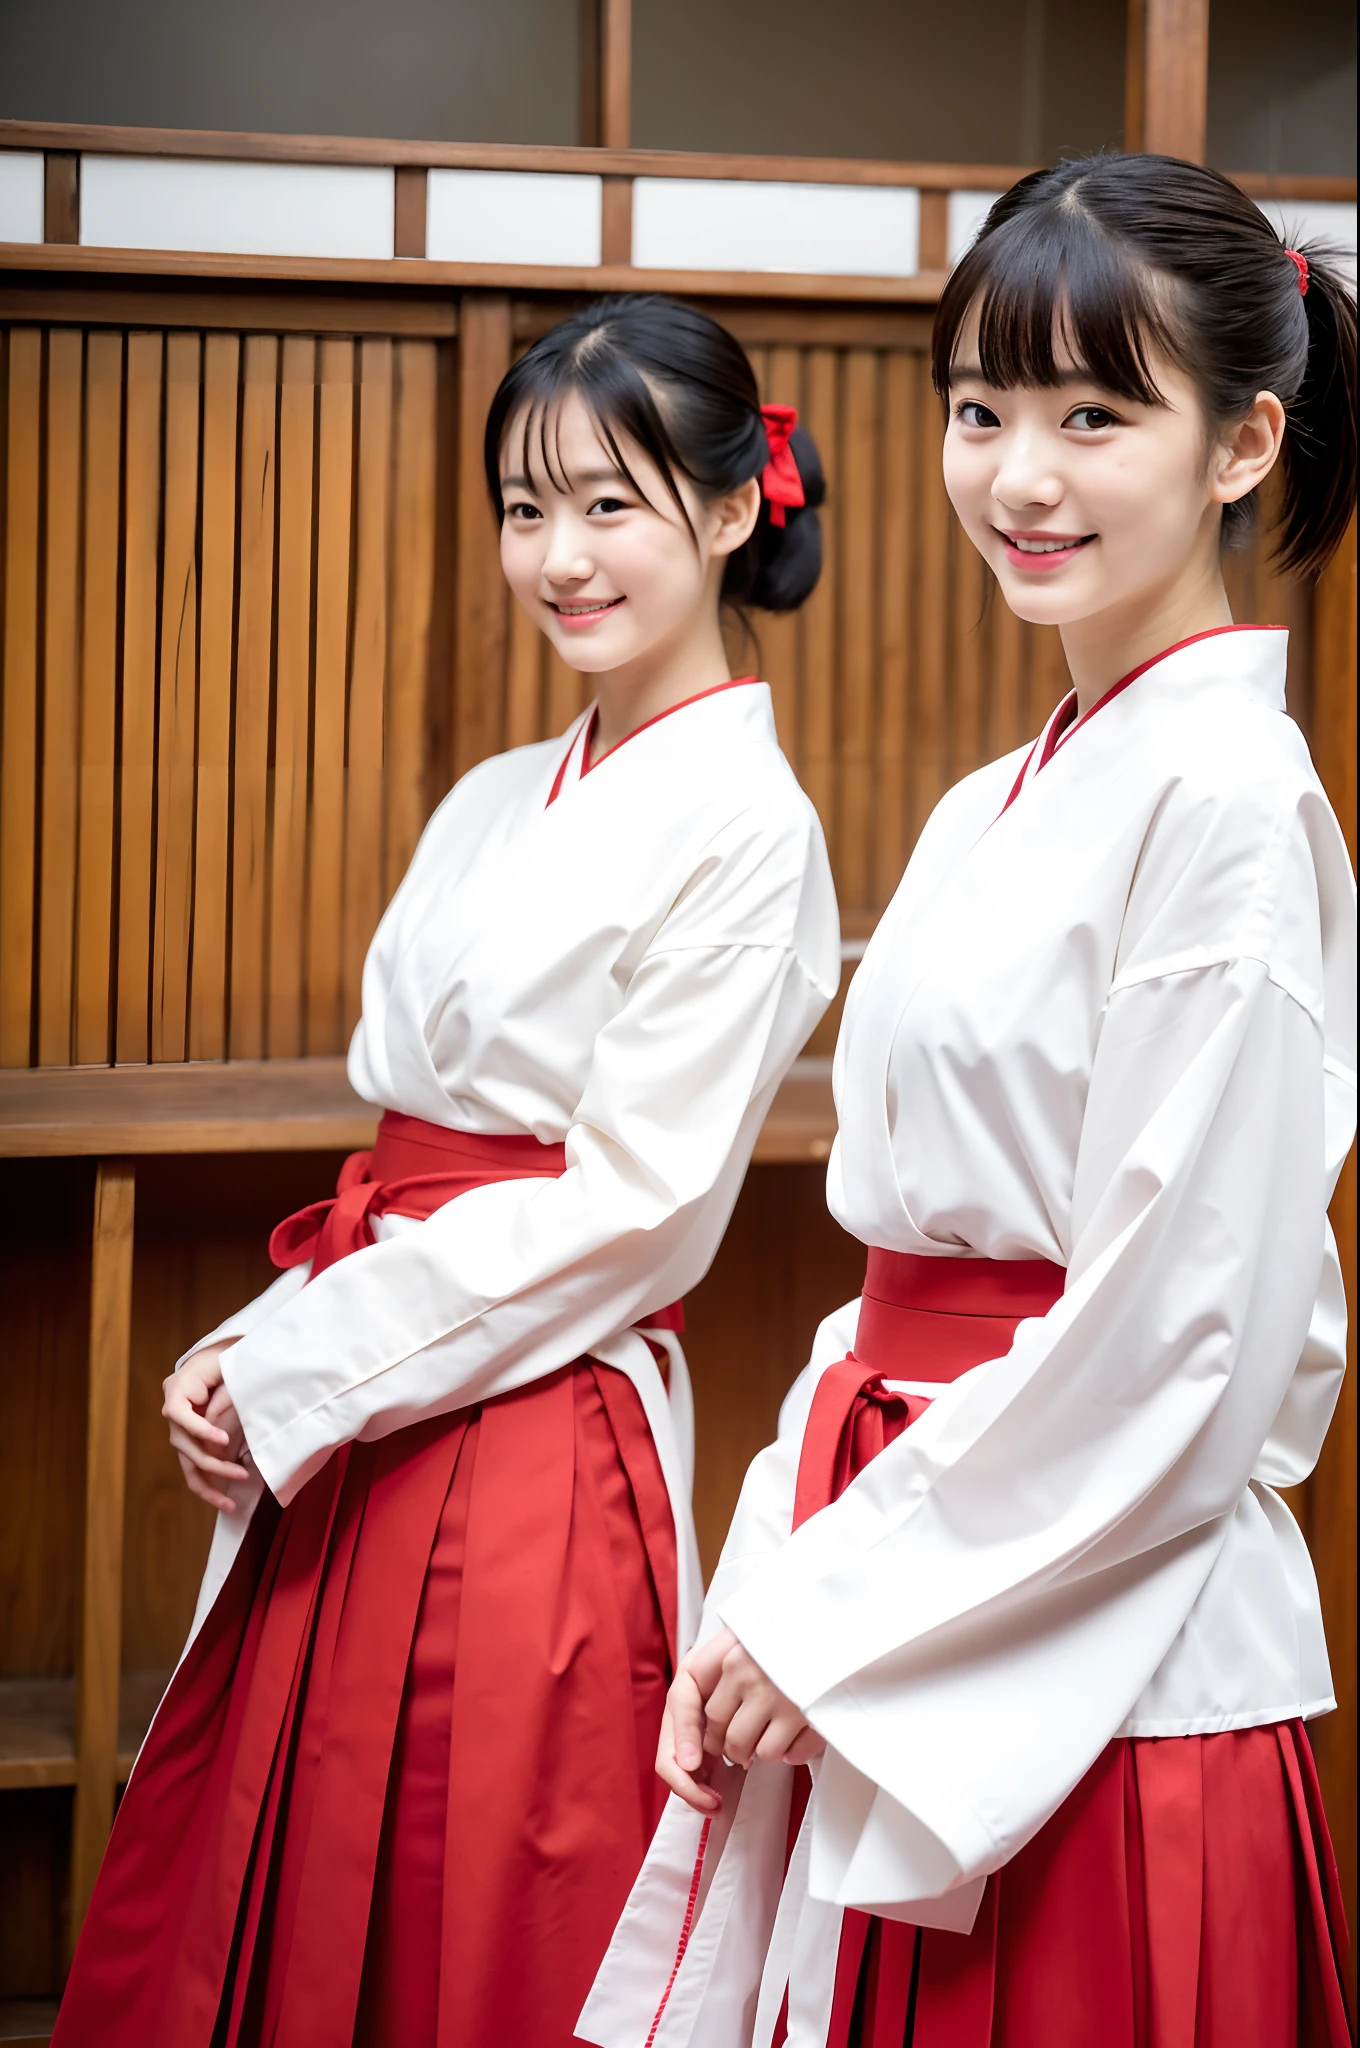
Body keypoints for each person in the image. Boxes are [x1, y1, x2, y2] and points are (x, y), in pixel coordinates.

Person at [581, 155, 1358, 2048]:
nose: (1020, 475)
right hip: (920, 1535)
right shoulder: (981, 800)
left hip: (1100, 1631)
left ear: (1246, 442)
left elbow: (1181, 1338)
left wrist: (832, 1602)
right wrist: (779, 1552)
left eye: (1098, 414)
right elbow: (894, 1267)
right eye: (981, 408)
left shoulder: (1235, 803)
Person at [52, 295, 839, 2048]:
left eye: (611, 504)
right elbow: (400, 1157)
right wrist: (260, 1337)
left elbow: (628, 1214)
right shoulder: (494, 792)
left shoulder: (753, 827)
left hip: (531, 1429)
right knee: (280, 1872)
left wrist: (294, 1366)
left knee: (473, 1908)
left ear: (729, 512)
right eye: (524, 506)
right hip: (371, 1395)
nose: (560, 556)